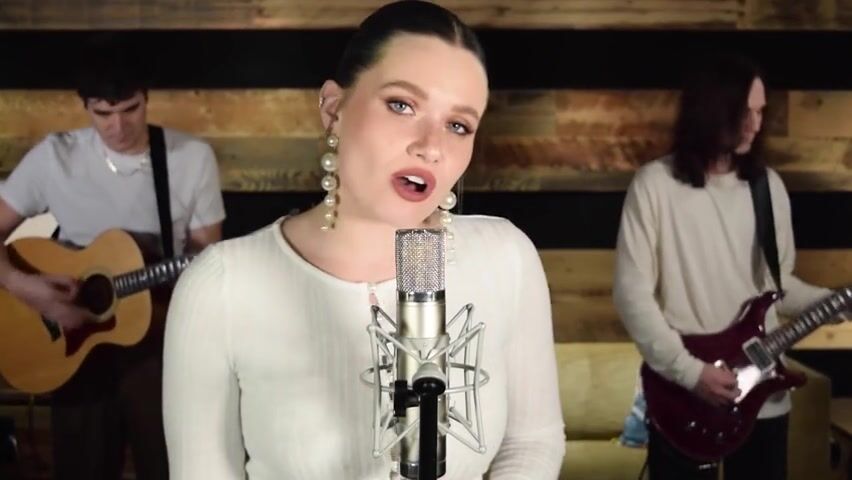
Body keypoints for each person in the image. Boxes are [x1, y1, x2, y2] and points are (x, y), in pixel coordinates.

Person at [162, 1, 566, 479]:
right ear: (334, 108)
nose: (431, 147)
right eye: (402, 105)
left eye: (458, 125)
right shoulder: (221, 285)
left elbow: (531, 442)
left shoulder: (506, 257)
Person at [0, 35, 226, 480]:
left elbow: (208, 259)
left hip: (159, 337)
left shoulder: (190, 158)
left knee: (167, 465)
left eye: (130, 109)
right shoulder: (54, 158)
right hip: (71, 340)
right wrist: (24, 286)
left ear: (146, 98)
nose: (118, 127)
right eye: (103, 113)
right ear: (85, 106)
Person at [612, 53, 835, 480]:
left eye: (760, 112)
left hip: (763, 398)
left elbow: (778, 286)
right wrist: (690, 372)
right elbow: (631, 294)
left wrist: (836, 302)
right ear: (710, 110)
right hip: (683, 396)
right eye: (743, 111)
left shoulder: (768, 187)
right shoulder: (655, 185)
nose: (755, 124)